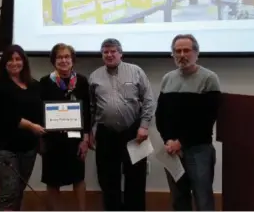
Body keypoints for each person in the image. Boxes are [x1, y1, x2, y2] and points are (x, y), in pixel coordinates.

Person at [155, 34, 222, 211]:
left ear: (196, 53)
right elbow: (160, 115)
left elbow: (206, 119)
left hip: (198, 150)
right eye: (177, 51)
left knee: (203, 199)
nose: (182, 55)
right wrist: (168, 141)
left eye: (186, 50)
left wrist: (181, 142)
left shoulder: (209, 78)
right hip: (172, 151)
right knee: (179, 199)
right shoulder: (168, 78)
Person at [89, 38, 155, 211]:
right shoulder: (94, 76)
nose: (109, 55)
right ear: (102, 54)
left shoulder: (136, 71)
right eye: (105, 52)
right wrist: (92, 131)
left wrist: (144, 125)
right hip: (105, 134)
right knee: (107, 178)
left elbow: (148, 100)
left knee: (137, 177)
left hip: (134, 132)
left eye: (113, 51)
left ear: (120, 53)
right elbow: (91, 107)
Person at [0, 44, 45, 211]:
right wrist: (30, 126)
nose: (14, 63)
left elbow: (40, 114)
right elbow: (1, 115)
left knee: (17, 192)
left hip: (27, 149)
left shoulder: (34, 85)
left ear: (24, 61)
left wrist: (41, 138)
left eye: (18, 59)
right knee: (8, 192)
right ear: (4, 63)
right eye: (10, 59)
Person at [39, 43, 91, 211]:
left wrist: (86, 138)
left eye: (67, 56)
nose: (63, 60)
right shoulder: (45, 82)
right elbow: (40, 112)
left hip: (75, 139)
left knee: (78, 178)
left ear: (72, 60)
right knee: (52, 180)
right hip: (52, 139)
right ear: (53, 61)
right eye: (59, 57)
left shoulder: (81, 81)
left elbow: (88, 113)